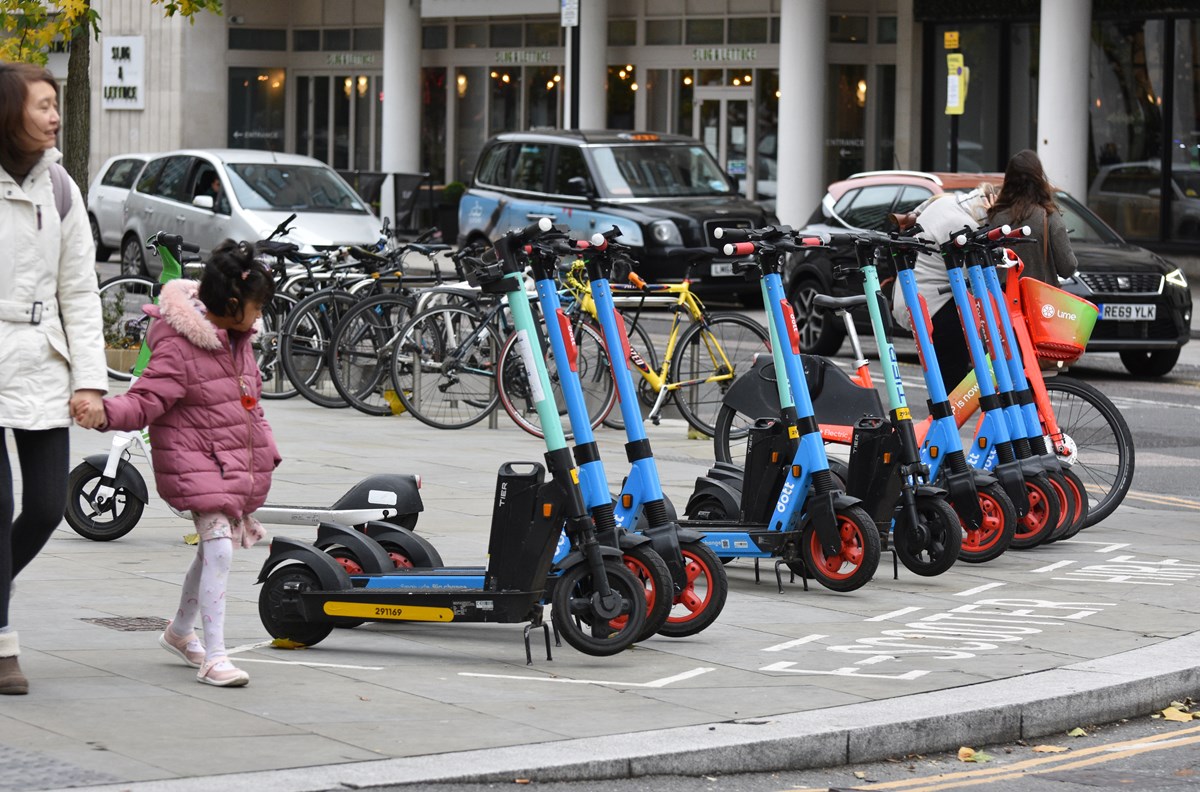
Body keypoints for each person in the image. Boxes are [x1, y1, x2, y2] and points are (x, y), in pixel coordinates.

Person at [75, 239, 280, 687]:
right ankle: (216, 657)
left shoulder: (238, 339)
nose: (260, 316)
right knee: (220, 550)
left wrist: (266, 447)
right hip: (195, 462)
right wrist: (106, 413)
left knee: (213, 550)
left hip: (230, 462)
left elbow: (250, 403)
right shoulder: (180, 346)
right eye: (256, 306)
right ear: (229, 304)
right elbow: (146, 400)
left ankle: (181, 632)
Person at [0, 62, 107, 696]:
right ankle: (3, 644)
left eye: (55, 104)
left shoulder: (61, 188)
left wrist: (90, 380)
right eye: (41, 105)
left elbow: (80, 290)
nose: (53, 116)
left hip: (42, 356)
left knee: (44, 506)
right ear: (10, 112)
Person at [986, 149, 1078, 284]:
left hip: (1002, 301)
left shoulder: (995, 217)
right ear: (1039, 177)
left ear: (1008, 179)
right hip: (1039, 301)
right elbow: (1068, 268)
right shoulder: (1049, 217)